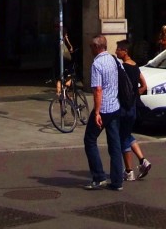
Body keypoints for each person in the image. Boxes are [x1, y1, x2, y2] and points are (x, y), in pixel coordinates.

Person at [83, 34, 123, 191]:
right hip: (115, 106)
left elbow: (98, 90)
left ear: (97, 47)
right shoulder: (114, 60)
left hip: (104, 108)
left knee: (90, 140)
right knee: (115, 144)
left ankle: (99, 177)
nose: (90, 50)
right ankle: (117, 181)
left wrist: (97, 112)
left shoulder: (97, 64)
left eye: (91, 47)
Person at [115, 40, 152, 182]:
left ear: (125, 51)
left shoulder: (122, 67)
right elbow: (144, 85)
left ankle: (129, 171)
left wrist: (126, 96)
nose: (116, 51)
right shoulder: (135, 66)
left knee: (123, 137)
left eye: (118, 49)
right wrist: (134, 94)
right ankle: (143, 161)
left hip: (123, 108)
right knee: (127, 134)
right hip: (133, 107)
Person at [54, 27, 74, 96]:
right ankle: (65, 89)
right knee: (70, 75)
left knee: (59, 78)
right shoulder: (63, 41)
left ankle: (59, 93)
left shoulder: (56, 40)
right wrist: (67, 39)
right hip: (64, 62)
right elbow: (71, 48)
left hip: (57, 62)